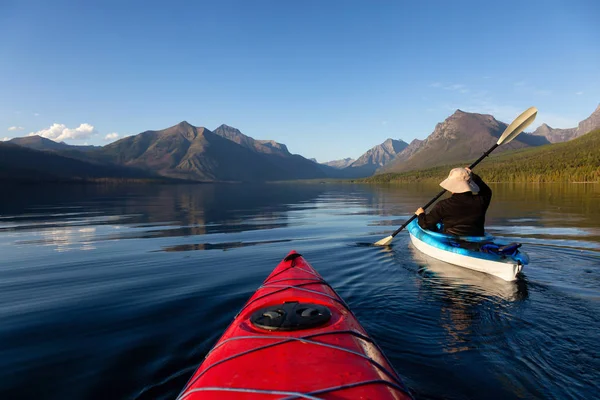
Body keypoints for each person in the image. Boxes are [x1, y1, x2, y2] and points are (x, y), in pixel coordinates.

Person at [415, 167, 492, 236]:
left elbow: (424, 224)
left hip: (452, 240)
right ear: (469, 184)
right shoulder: (481, 200)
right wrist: (473, 176)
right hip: (478, 239)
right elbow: (487, 191)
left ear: (452, 185)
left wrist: (421, 214)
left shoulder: (443, 205)